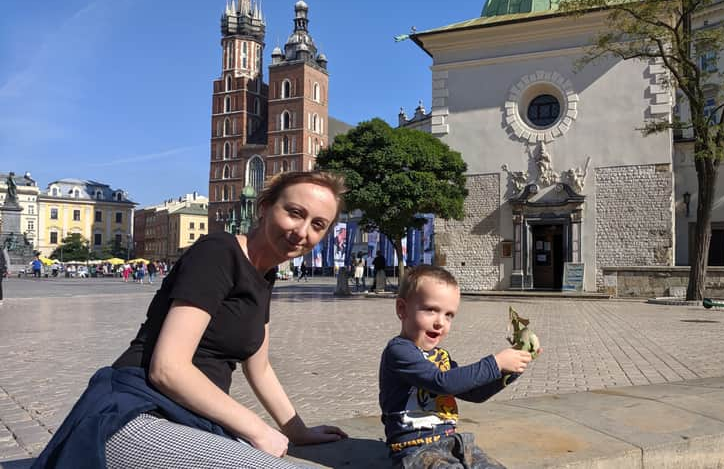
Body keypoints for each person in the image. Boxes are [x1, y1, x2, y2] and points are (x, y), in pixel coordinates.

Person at [34, 172, 350, 469]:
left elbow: (260, 367)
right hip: (136, 412)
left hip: (187, 417)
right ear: (264, 208)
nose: (302, 231)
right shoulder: (218, 252)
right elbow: (168, 369)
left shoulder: (263, 275)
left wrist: (297, 430)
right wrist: (258, 430)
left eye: (318, 224)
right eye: (295, 212)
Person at [379, 265, 538, 468]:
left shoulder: (441, 356)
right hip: (415, 450)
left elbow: (473, 394)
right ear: (402, 309)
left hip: (453, 443)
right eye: (431, 310)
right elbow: (443, 383)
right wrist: (496, 363)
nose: (440, 322)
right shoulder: (399, 351)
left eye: (449, 315)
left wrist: (510, 369)